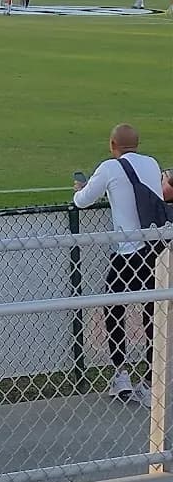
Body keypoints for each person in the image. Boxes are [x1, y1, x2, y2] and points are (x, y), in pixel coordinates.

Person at [74, 124, 164, 408]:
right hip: (154, 249)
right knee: (152, 314)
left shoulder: (110, 168)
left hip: (126, 251)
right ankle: (150, 382)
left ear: (112, 144)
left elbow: (82, 202)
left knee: (114, 308)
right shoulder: (151, 163)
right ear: (137, 144)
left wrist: (81, 187)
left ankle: (121, 373)